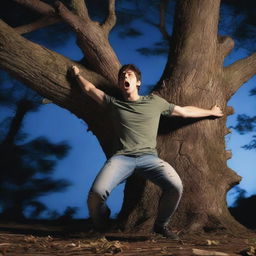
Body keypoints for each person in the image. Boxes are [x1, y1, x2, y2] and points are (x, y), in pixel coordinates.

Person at [71, 64, 223, 239]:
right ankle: (102, 223)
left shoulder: (154, 102)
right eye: (121, 77)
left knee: (175, 186)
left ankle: (160, 226)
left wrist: (210, 111)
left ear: (138, 82)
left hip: (149, 158)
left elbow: (184, 112)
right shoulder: (114, 104)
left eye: (129, 75)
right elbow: (90, 89)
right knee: (96, 195)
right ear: (120, 84)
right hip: (122, 159)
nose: (124, 77)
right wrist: (77, 75)